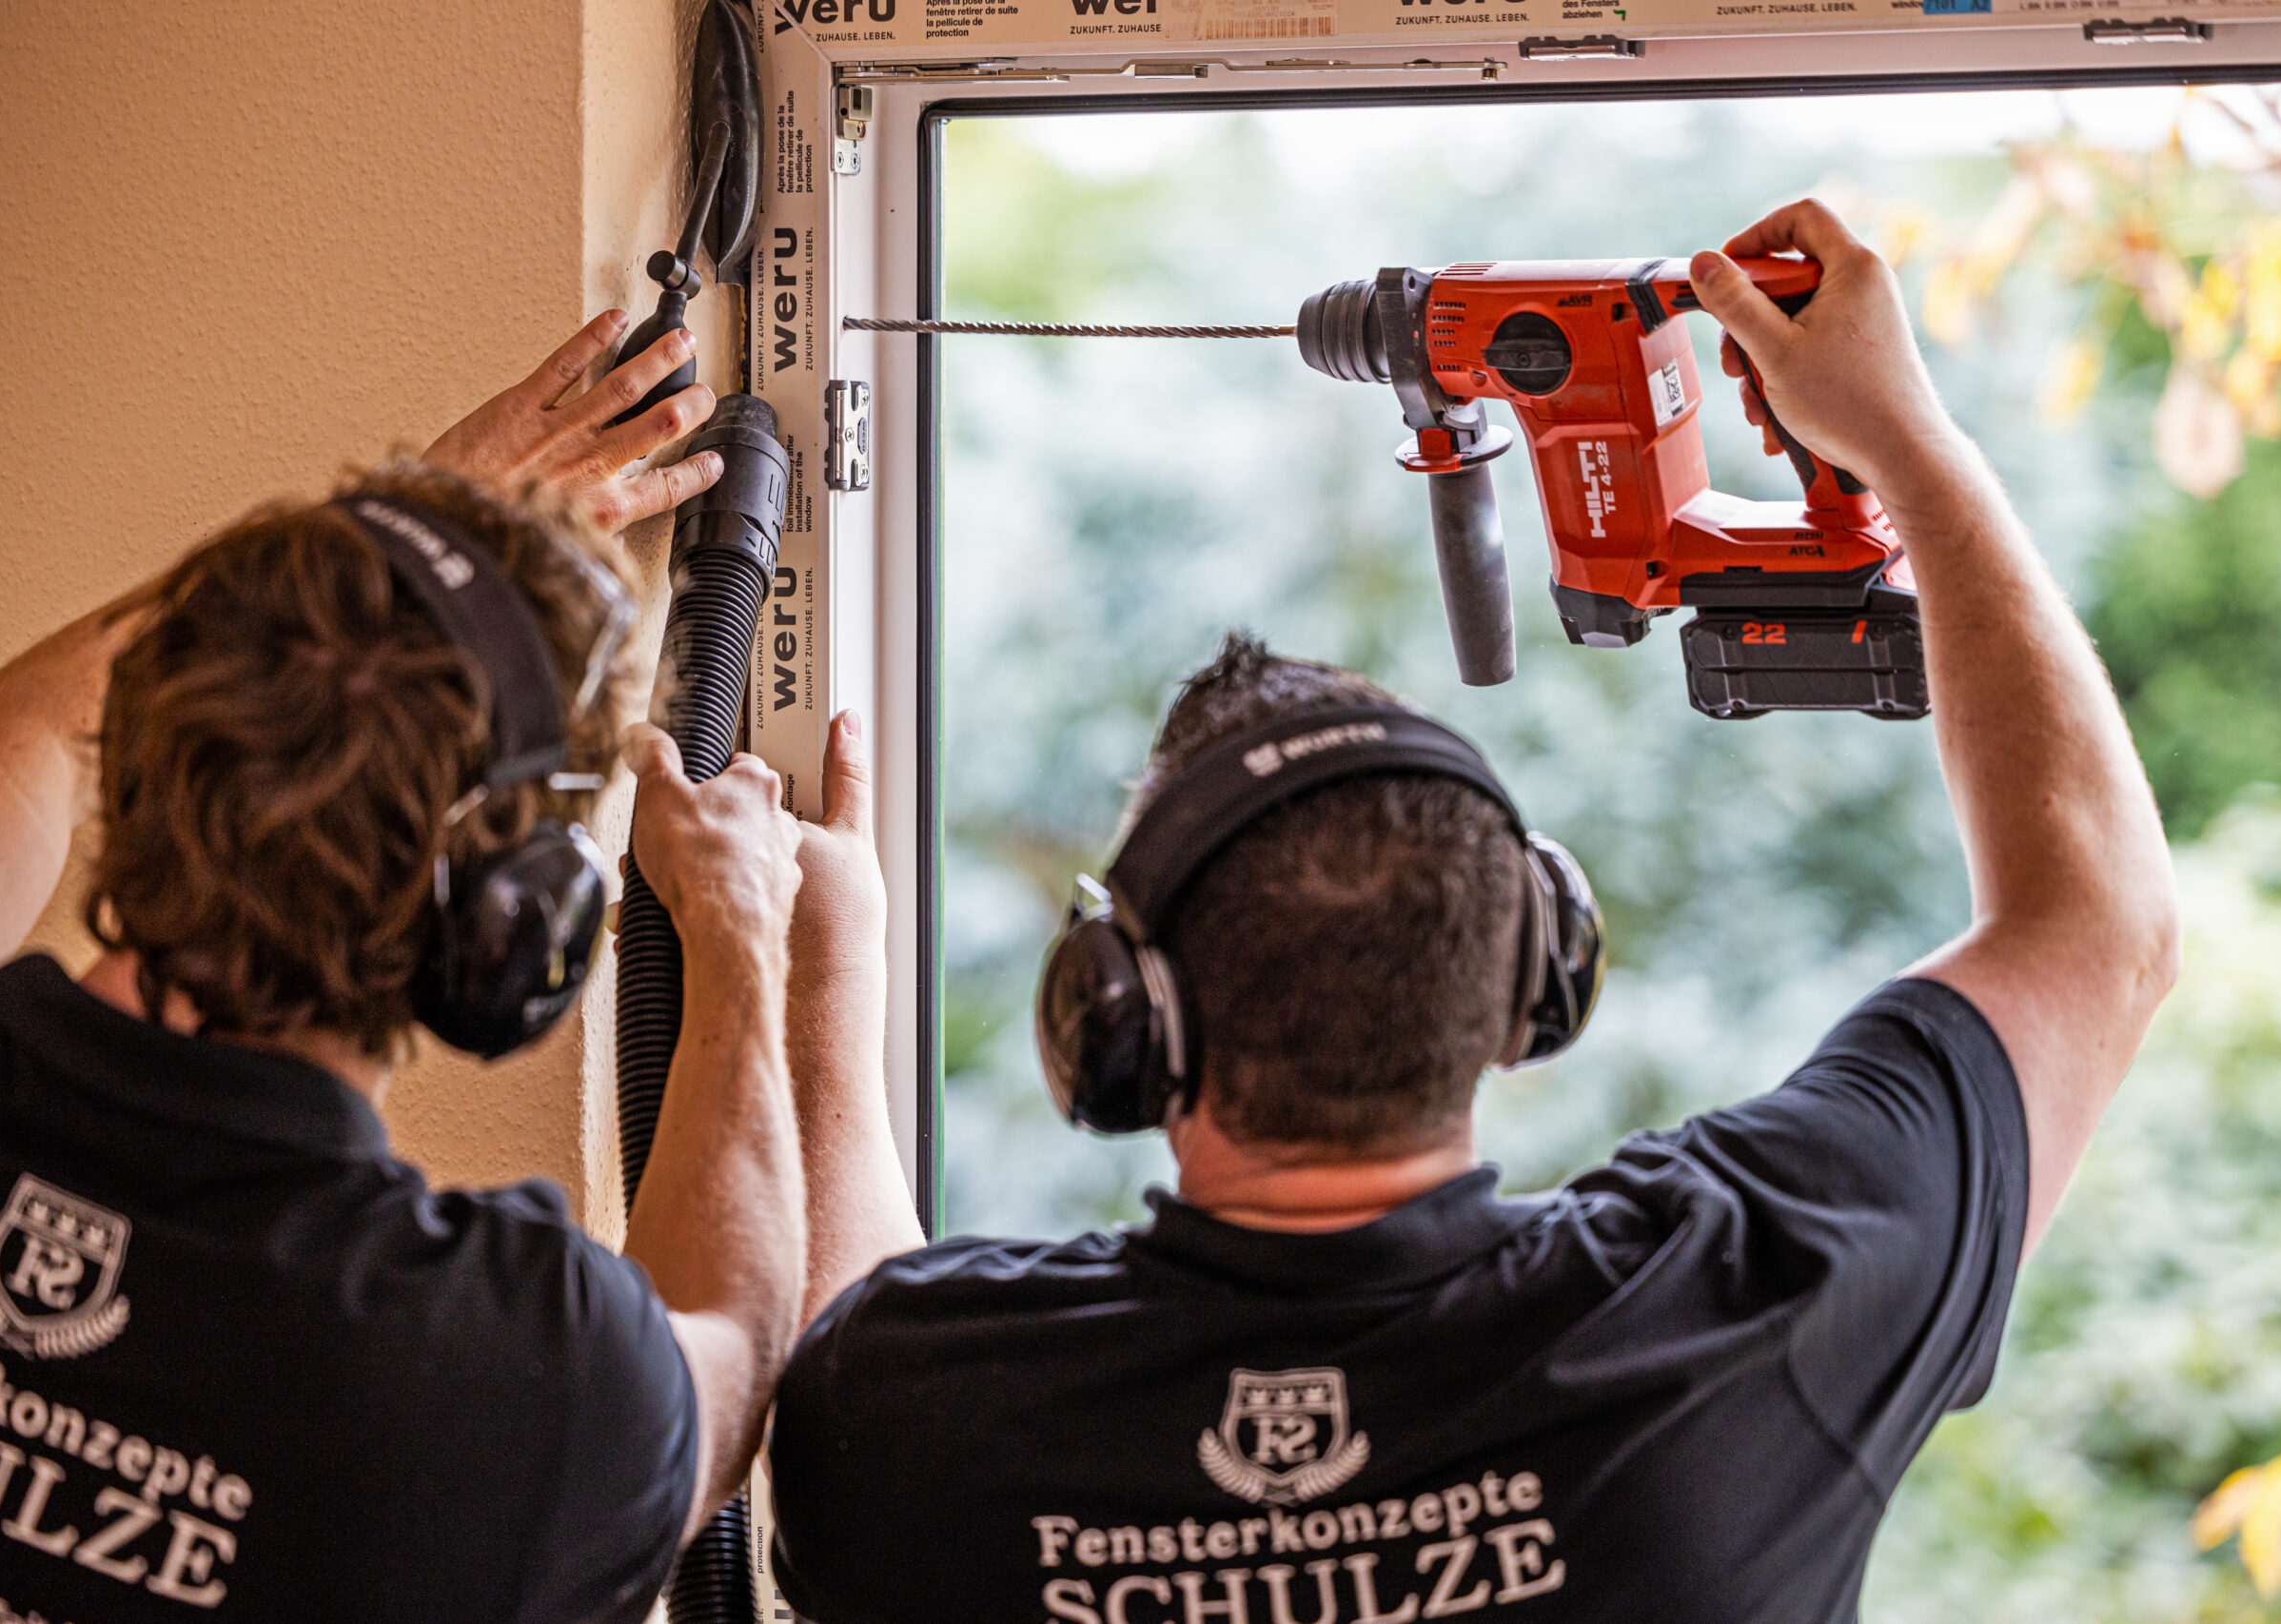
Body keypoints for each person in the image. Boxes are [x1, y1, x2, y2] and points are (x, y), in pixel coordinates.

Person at [763, 199, 2182, 1622]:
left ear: (1116, 1013)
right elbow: (2099, 922)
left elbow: (829, 1340)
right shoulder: (1742, 1303)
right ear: (1536, 981)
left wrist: (823, 983)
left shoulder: (913, 1415)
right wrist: (1907, 438)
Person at [0, 313, 857, 1621]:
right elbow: (729, 1359)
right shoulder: (511, 1375)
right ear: (518, 916)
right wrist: (740, 938)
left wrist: (365, 553)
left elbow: (31, 730)